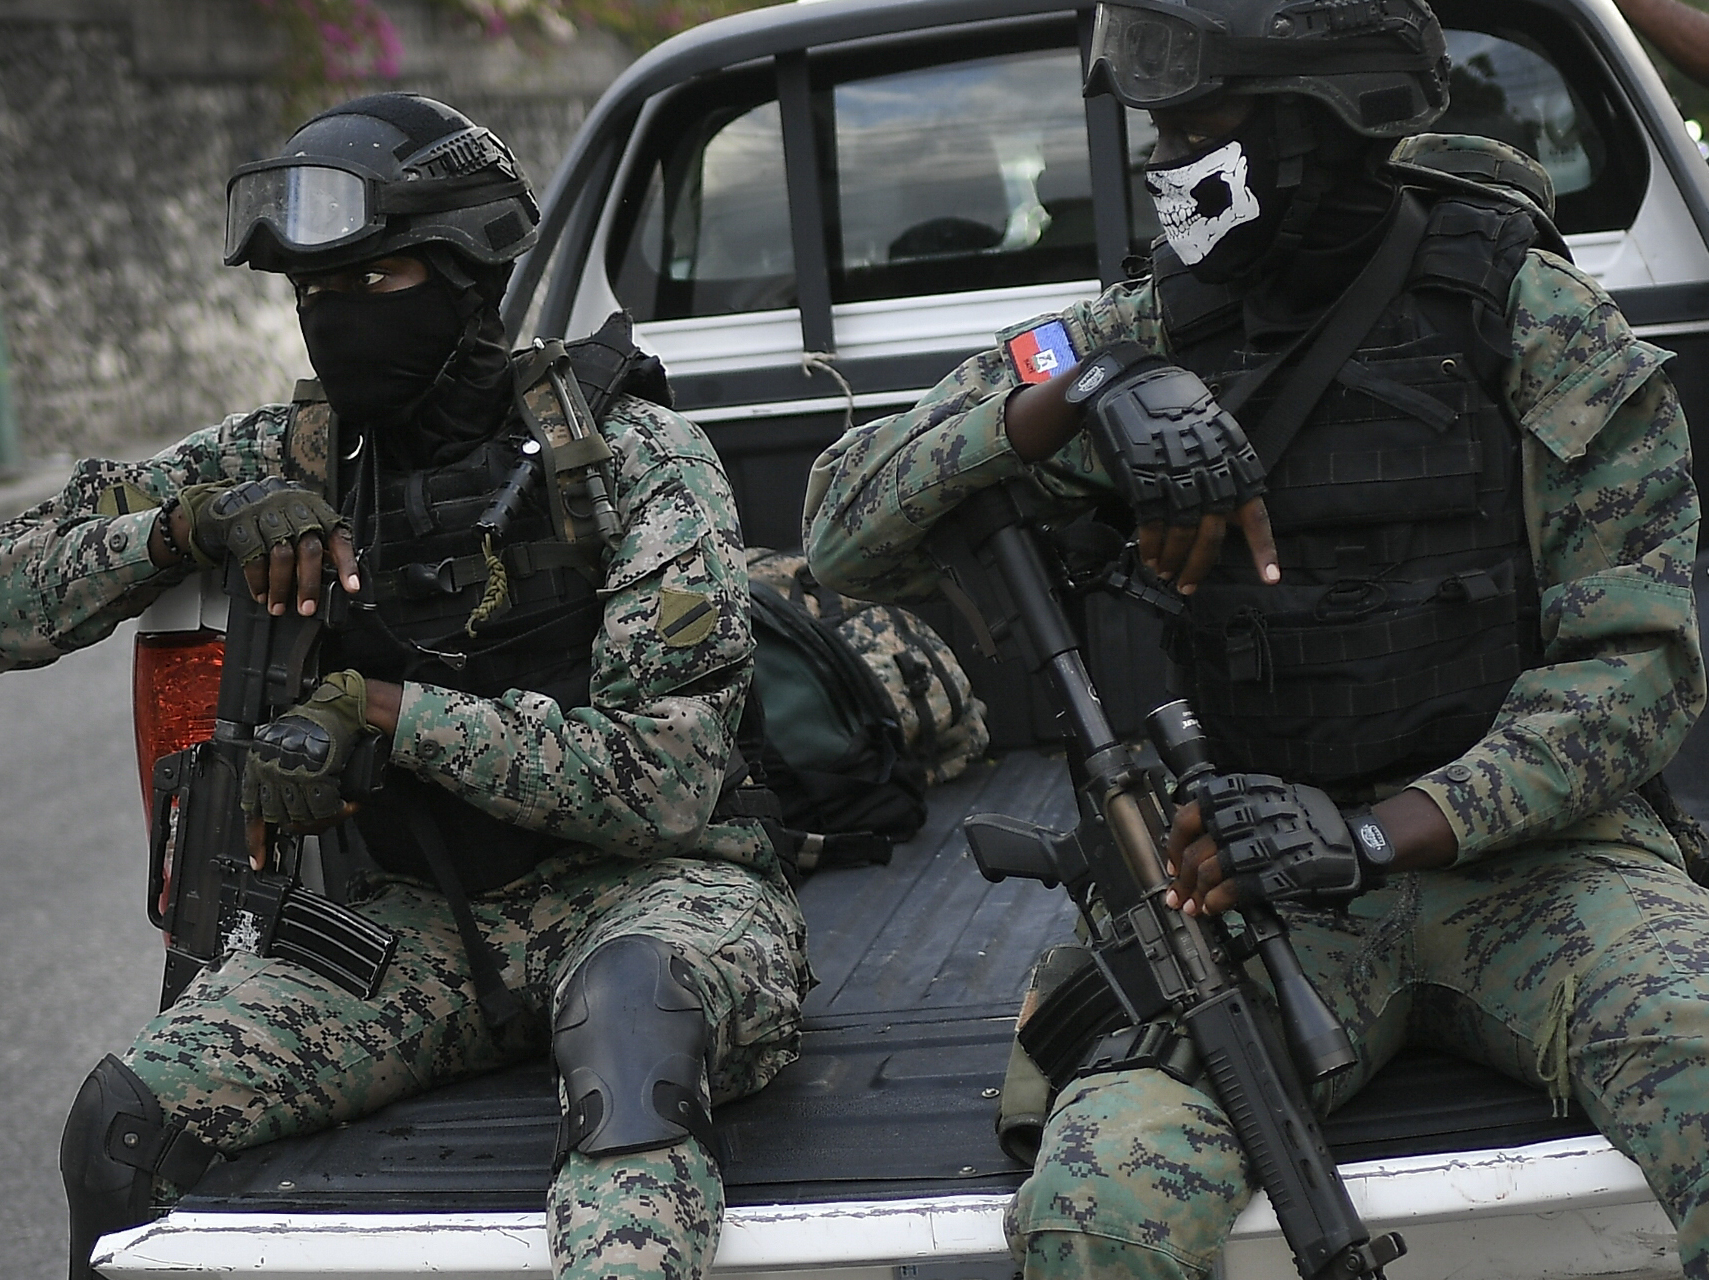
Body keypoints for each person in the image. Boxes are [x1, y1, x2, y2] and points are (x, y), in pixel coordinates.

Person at [803, 0, 1709, 1274]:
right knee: (1095, 1213)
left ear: (1319, 121)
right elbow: (842, 523)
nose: (1158, 156)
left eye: (1193, 122)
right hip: (1238, 894)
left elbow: (1637, 667)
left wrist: (1370, 832)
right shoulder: (1137, 328)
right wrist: (1081, 397)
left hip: (1535, 863)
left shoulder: (1527, 314)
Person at [0, 92, 808, 1280]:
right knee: (125, 1125)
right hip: (412, 920)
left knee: (632, 1041)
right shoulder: (285, 455)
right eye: (310, 295)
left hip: (648, 899)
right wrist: (183, 526)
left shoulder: (632, 458)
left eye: (372, 284)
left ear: (467, 273)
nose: (332, 321)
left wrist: (387, 716)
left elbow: (666, 783)